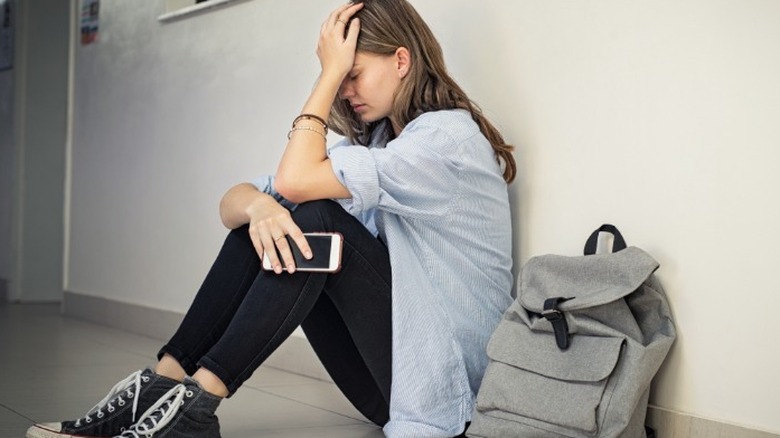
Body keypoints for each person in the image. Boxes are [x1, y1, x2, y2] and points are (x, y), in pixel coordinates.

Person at [26, 0, 516, 437]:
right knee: (268, 220)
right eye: (339, 79)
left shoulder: (445, 141)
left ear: (401, 61)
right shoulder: (379, 144)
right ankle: (162, 386)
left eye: (353, 74)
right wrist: (260, 207)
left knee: (315, 216)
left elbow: (297, 182)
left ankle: (195, 407)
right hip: (392, 386)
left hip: (445, 391)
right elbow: (234, 203)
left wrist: (326, 75)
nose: (345, 91)